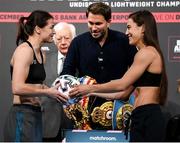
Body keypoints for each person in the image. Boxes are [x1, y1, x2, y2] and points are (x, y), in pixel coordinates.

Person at [69, 10, 168, 142]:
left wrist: (90, 88)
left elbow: (122, 83)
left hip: (148, 117)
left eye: (129, 27)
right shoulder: (146, 53)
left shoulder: (146, 53)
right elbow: (122, 94)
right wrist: (91, 94)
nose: (126, 33)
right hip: (142, 116)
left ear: (143, 28)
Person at [61, 2, 137, 130]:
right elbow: (66, 73)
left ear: (109, 22)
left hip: (119, 108)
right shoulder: (78, 43)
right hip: (85, 110)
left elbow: (138, 71)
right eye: (90, 23)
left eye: (98, 24)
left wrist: (127, 92)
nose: (94, 28)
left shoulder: (123, 40)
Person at [3, 10, 68, 142]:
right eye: (51, 27)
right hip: (22, 116)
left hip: (36, 116)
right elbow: (17, 88)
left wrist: (52, 89)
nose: (54, 32)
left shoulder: (41, 54)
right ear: (38, 29)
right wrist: (47, 92)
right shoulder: (24, 51)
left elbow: (35, 83)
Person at [42, 22, 76, 141]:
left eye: (67, 38)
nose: (63, 42)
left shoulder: (82, 61)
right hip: (48, 122)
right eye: (59, 38)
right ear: (54, 40)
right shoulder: (44, 59)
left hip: (74, 123)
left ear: (74, 39)